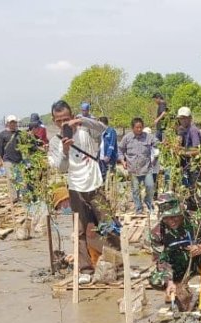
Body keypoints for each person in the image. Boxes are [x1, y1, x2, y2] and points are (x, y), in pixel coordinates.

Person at [48, 100, 120, 285]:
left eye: (66, 118)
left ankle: (118, 265)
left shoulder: (85, 130)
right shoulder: (55, 142)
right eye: (59, 120)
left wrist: (82, 121)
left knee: (109, 224)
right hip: (75, 188)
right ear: (53, 121)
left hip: (95, 184)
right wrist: (64, 150)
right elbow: (61, 168)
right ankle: (85, 269)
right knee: (80, 230)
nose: (63, 123)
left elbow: (104, 128)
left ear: (72, 116)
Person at [149, 193, 201, 312]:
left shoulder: (197, 220)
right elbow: (161, 260)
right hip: (177, 266)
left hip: (198, 261)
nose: (171, 221)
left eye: (175, 216)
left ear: (181, 212)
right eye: (166, 218)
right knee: (156, 279)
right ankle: (176, 287)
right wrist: (169, 281)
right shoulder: (157, 232)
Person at [118, 117, 158, 214]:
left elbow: (157, 143)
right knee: (135, 190)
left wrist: (164, 144)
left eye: (141, 127)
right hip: (133, 170)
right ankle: (138, 209)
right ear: (132, 128)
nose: (139, 129)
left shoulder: (148, 137)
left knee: (150, 187)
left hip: (146, 168)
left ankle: (148, 202)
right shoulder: (127, 138)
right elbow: (120, 150)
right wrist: (123, 161)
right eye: (137, 127)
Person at [0, 115, 28, 201]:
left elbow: (25, 145)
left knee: (20, 178)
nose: (13, 124)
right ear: (7, 123)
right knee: (11, 178)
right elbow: (0, 148)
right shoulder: (2, 134)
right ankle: (14, 197)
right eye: (11, 122)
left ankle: (21, 196)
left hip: (19, 159)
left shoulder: (20, 134)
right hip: (7, 159)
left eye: (14, 122)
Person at [175, 106, 201, 190]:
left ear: (190, 118)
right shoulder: (183, 130)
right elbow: (179, 146)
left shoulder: (193, 130)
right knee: (189, 189)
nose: (182, 120)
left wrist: (182, 152)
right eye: (181, 118)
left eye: (185, 118)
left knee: (196, 188)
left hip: (195, 165)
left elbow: (197, 150)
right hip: (187, 165)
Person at [98, 116, 118, 181]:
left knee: (110, 173)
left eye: (99, 124)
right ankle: (103, 188)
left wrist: (108, 155)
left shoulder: (111, 131)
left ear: (103, 123)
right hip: (101, 156)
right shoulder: (100, 132)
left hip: (109, 157)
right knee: (102, 173)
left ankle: (110, 189)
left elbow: (112, 144)